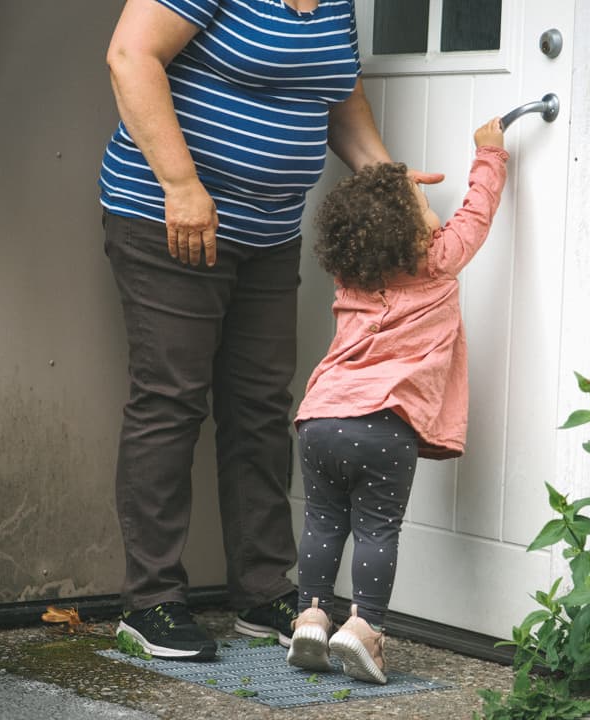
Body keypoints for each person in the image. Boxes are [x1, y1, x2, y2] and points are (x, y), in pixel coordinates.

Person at [99, 0, 441, 661]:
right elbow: (130, 56)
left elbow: (343, 106)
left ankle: (261, 589)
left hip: (269, 233)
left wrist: (394, 185)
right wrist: (181, 183)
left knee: (260, 408)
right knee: (170, 400)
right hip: (170, 217)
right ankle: (151, 601)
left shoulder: (336, 5)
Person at [285, 118, 509, 683]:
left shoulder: (349, 270)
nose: (436, 215)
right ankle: (364, 629)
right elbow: (476, 214)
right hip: (384, 424)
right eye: (425, 209)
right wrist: (489, 155)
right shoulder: (437, 260)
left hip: (320, 418)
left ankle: (310, 617)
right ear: (412, 233)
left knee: (322, 524)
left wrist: (391, 188)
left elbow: (376, 222)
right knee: (378, 530)